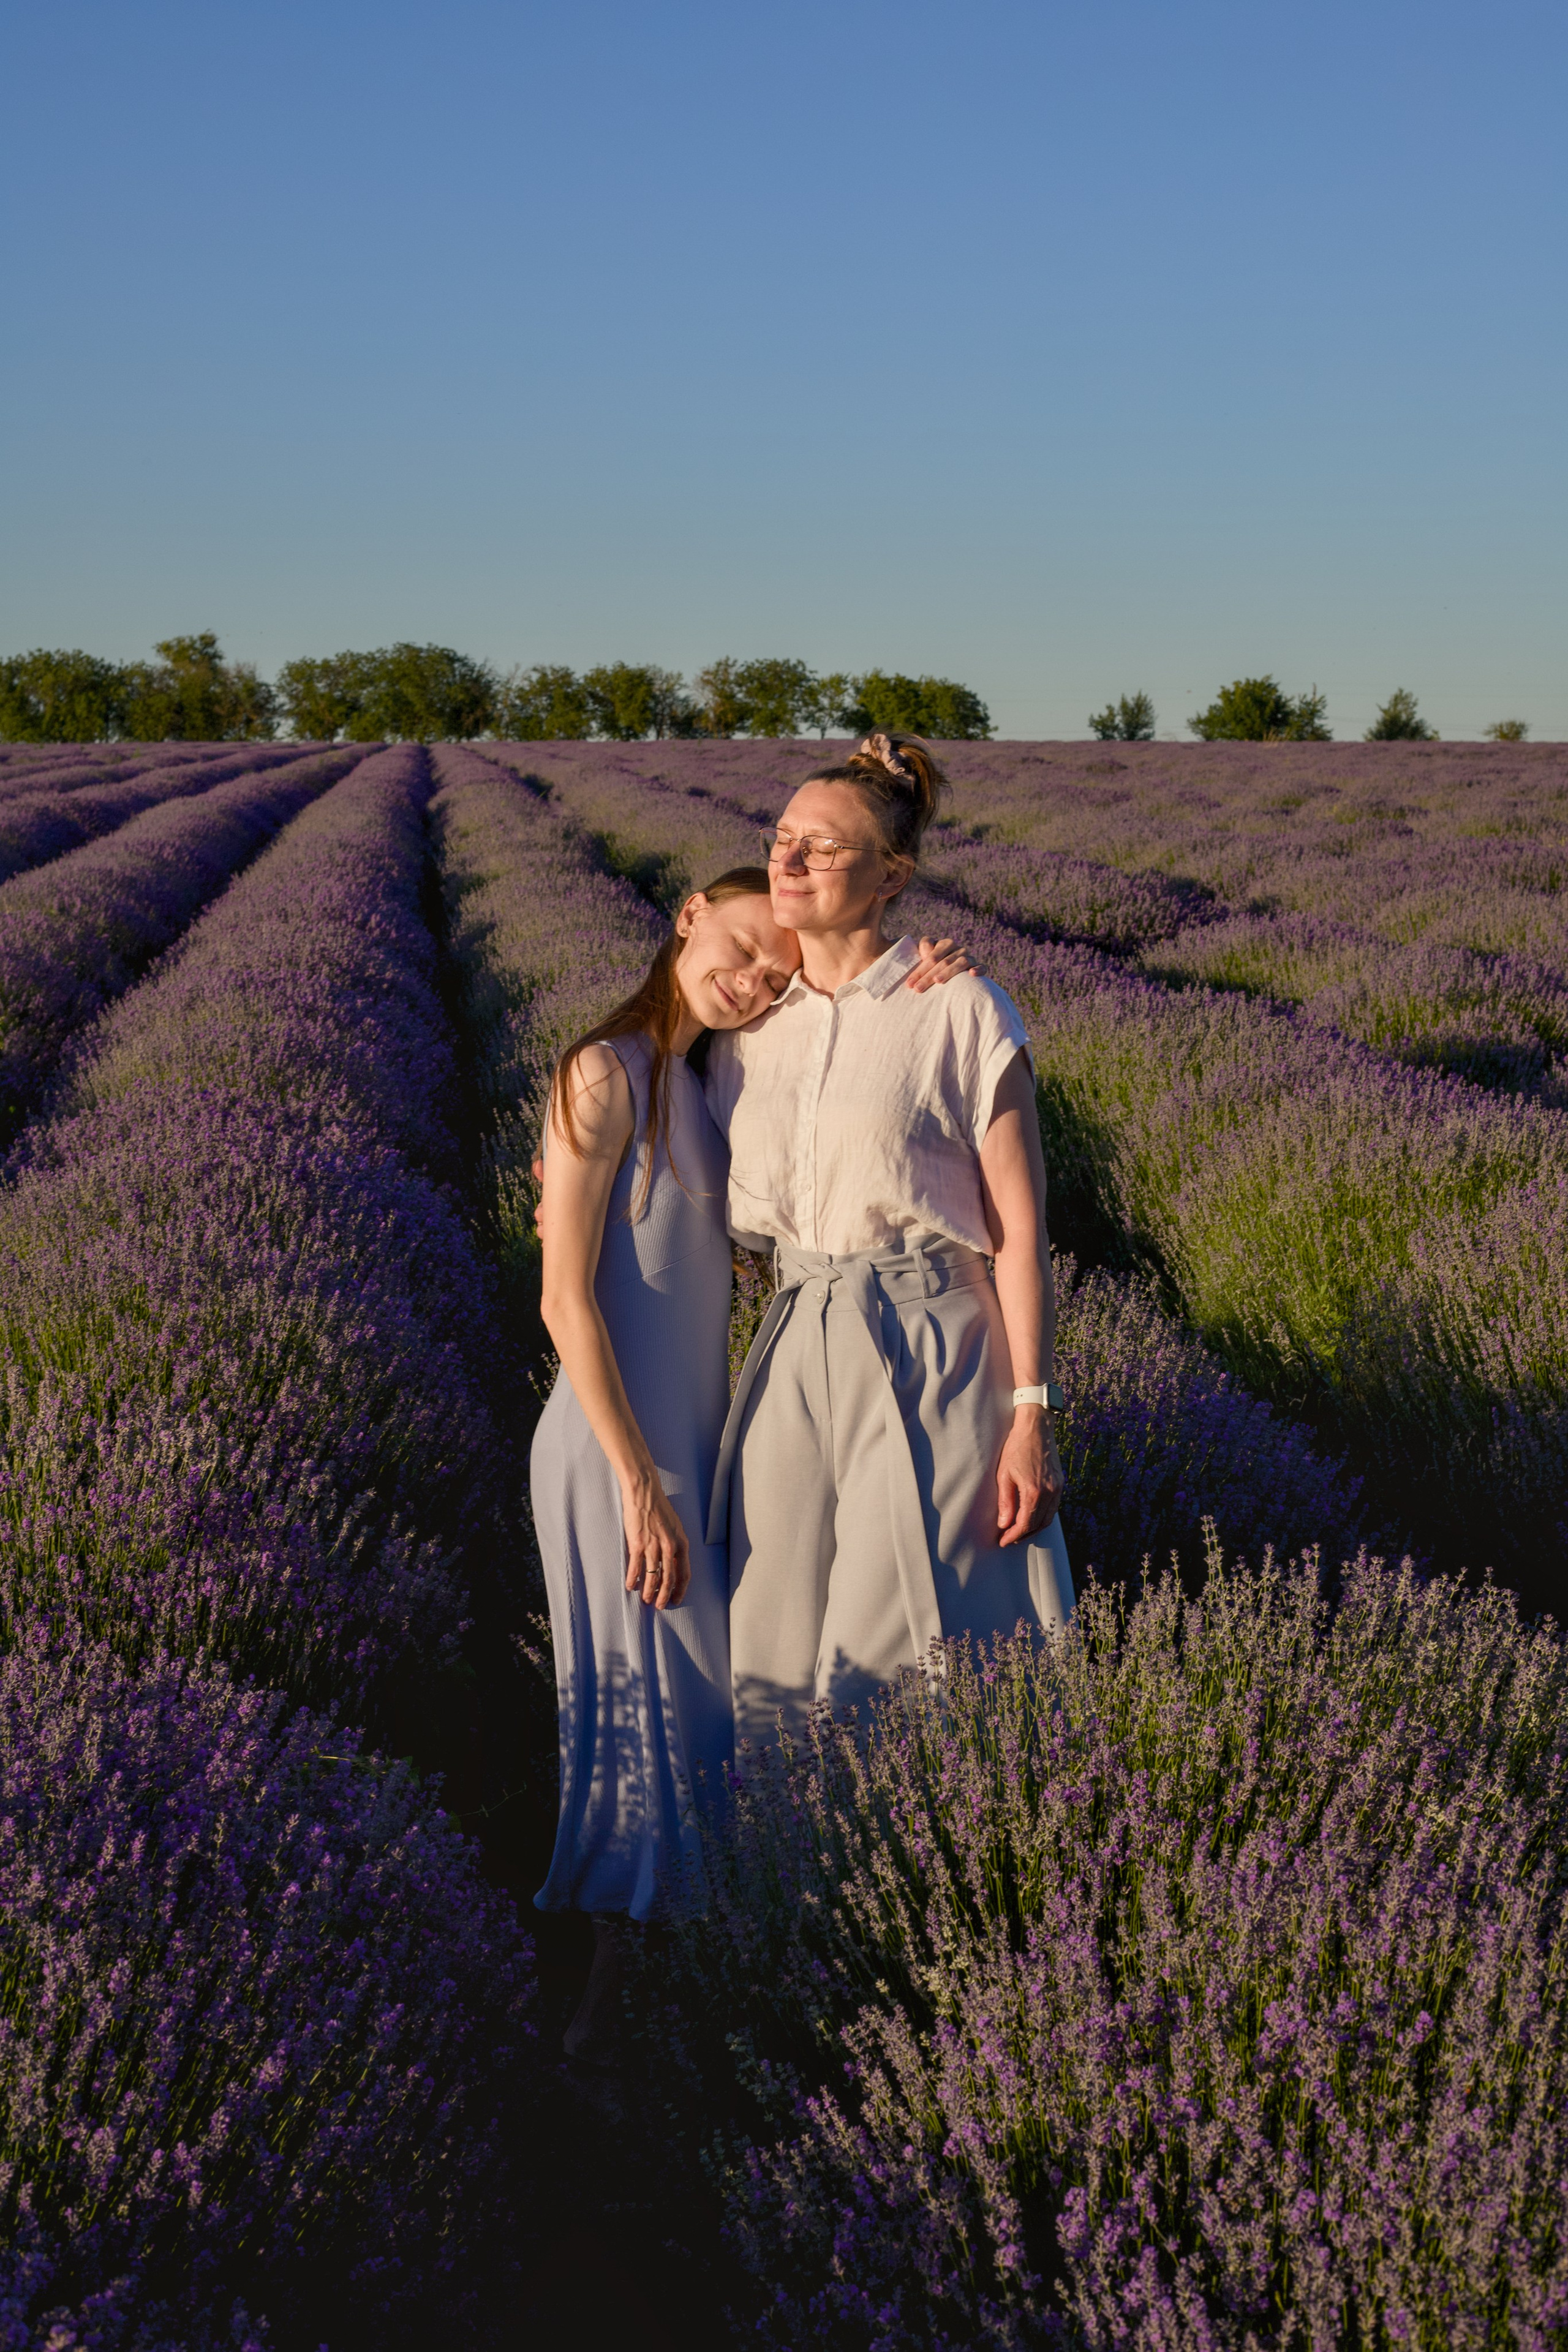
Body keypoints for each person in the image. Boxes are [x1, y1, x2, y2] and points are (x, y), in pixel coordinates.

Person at [532, 863, 973, 2055]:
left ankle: (660, 2008)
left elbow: (837, 1059)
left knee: (695, 1715)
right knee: (650, 1721)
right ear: (683, 913)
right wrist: (638, 1485)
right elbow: (564, 1302)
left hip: (678, 1442)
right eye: (735, 945)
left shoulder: (709, 1077)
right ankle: (600, 2033)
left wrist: (928, 986)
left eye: (770, 973)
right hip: (613, 1449)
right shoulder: (603, 1072)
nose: (748, 979)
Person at [704, 733, 1073, 1752]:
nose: (788, 862)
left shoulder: (958, 1007)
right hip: (794, 1340)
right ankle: (784, 1884)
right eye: (781, 840)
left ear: (892, 876)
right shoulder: (747, 1026)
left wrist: (1032, 1414)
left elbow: (1022, 1229)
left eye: (820, 849)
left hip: (933, 1340)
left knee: (912, 1635)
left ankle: (930, 1852)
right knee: (771, 1622)